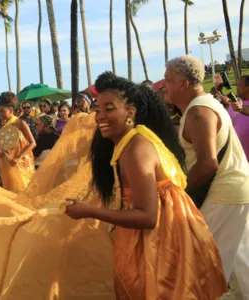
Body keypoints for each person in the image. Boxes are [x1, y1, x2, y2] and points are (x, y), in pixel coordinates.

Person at [66, 72, 227, 299]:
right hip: (155, 237)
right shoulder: (130, 143)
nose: (100, 116)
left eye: (109, 108)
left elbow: (148, 216)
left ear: (130, 112)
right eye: (97, 110)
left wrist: (90, 211)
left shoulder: (136, 150)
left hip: (161, 244)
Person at [164, 55, 249, 297]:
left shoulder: (199, 112)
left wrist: (178, 191)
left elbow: (208, 162)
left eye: (168, 80)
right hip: (235, 191)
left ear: (183, 84)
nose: (164, 85)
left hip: (224, 195)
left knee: (206, 266)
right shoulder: (203, 106)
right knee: (242, 264)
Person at [0, 92, 36, 193]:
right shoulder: (1, 127)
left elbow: (33, 143)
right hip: (7, 164)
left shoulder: (20, 123)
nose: (0, 115)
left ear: (11, 110)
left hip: (21, 163)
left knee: (23, 191)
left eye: (2, 111)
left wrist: (19, 157)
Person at [224, 74, 249, 160]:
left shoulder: (239, 105)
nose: (237, 88)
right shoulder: (233, 104)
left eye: (239, 85)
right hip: (239, 156)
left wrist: (241, 108)